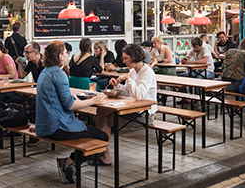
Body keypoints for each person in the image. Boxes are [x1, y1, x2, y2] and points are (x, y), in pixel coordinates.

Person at [31, 40, 107, 184]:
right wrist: (93, 101)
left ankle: (69, 164)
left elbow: (57, 99)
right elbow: (69, 105)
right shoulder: (59, 74)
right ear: (60, 56)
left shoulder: (45, 72)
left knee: (88, 134)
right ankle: (68, 163)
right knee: (102, 137)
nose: (68, 55)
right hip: (57, 126)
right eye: (66, 52)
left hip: (44, 125)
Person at [95, 43, 157, 166]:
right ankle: (102, 154)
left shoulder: (147, 72)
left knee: (103, 117)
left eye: (126, 58)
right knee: (101, 113)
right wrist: (117, 85)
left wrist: (128, 79)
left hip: (144, 114)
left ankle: (102, 154)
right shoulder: (133, 71)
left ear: (134, 57)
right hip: (133, 109)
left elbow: (139, 94)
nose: (124, 61)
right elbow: (128, 92)